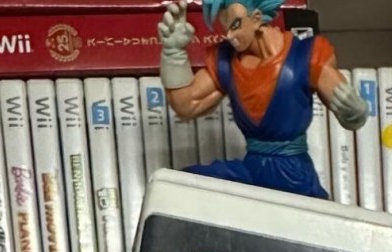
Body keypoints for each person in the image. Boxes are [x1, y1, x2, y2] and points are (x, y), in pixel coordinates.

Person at [157, 0, 367, 198]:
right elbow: (186, 104)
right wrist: (173, 53)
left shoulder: (306, 55)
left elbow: (349, 113)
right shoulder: (227, 61)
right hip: (251, 171)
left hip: (293, 175)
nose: (229, 36)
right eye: (225, 28)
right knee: (180, 186)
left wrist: (355, 110)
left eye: (235, 25)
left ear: (256, 18)